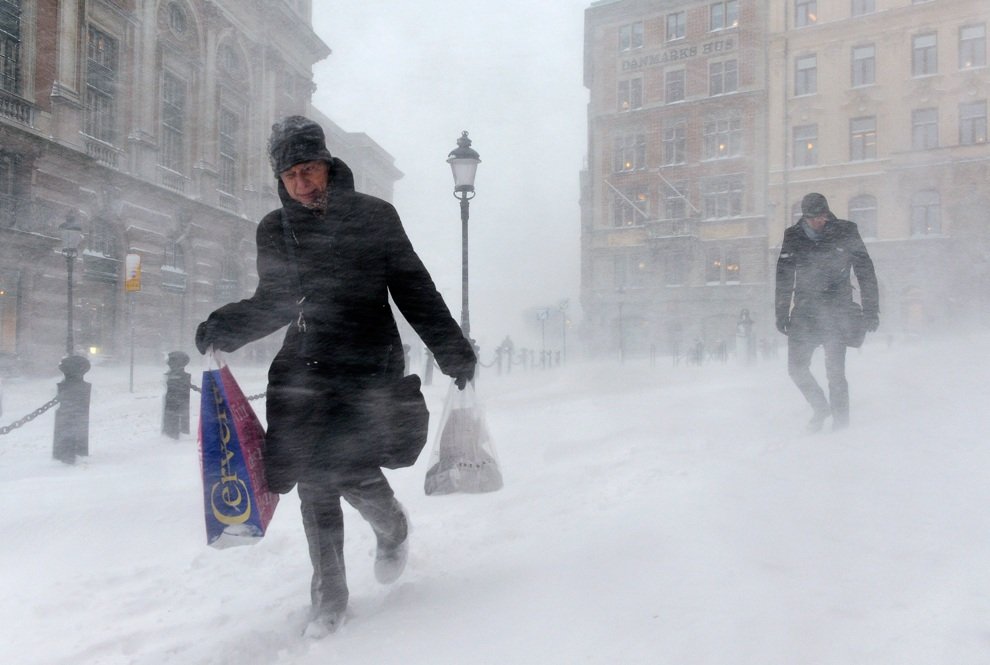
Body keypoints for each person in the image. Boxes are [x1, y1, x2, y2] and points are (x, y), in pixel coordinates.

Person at [194, 116, 476, 635]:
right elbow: (275, 301)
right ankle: (329, 597)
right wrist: (225, 327)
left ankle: (391, 526)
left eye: (308, 169)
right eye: (290, 175)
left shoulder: (375, 217)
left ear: (327, 165)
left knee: (350, 471)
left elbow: (413, 288)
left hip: (368, 369)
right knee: (313, 484)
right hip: (304, 371)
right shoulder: (274, 229)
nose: (301, 183)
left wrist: (451, 349)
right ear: (279, 181)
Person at [775, 192, 879, 432]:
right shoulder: (793, 236)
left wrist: (871, 310)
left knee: (835, 373)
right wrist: (781, 313)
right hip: (805, 313)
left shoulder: (846, 231)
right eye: (812, 218)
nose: (818, 222)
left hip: (836, 312)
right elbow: (784, 276)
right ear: (804, 217)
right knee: (796, 369)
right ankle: (821, 407)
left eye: (822, 216)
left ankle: (841, 425)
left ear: (828, 213)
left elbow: (865, 271)